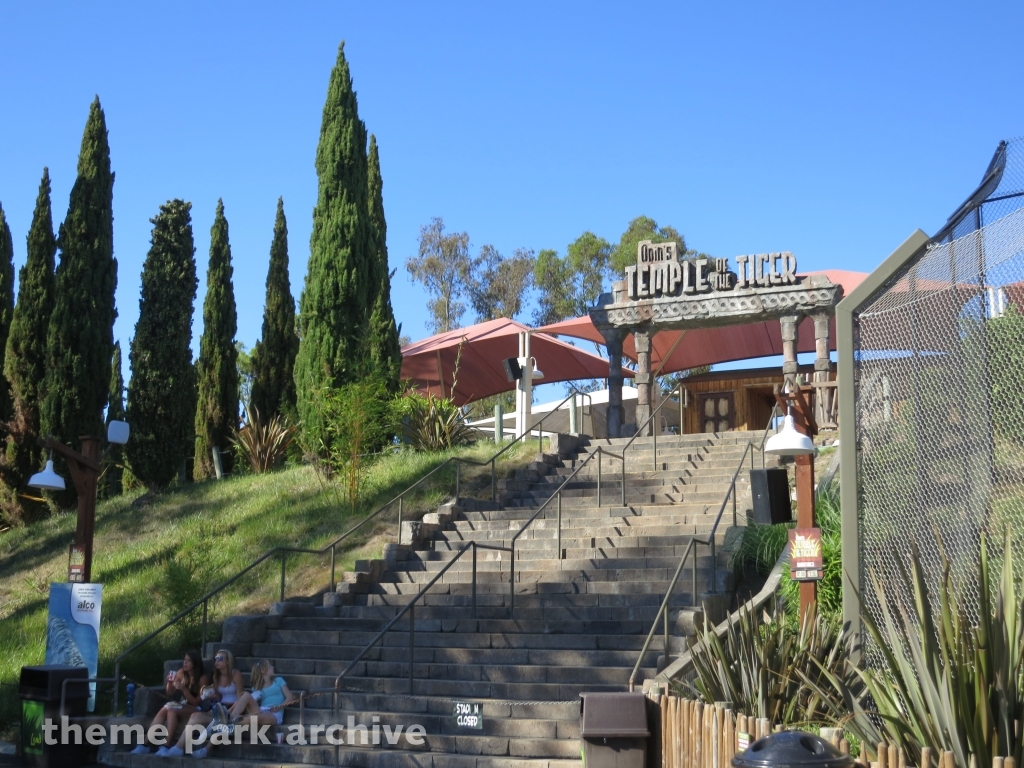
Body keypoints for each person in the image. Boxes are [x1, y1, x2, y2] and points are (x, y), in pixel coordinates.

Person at [189, 660, 296, 760]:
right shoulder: (257, 687)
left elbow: (290, 697)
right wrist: (232, 709)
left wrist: (278, 707)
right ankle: (228, 718)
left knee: (231, 722)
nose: (273, 667)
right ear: (264, 671)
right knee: (245, 695)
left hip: (275, 713)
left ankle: (222, 722)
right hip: (261, 709)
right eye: (270, 666)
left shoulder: (279, 681)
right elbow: (245, 701)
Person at [154, 649, 245, 756]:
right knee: (194, 716)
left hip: (232, 708)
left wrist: (229, 710)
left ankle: (180, 748)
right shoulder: (216, 676)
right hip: (219, 707)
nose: (217, 661)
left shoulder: (236, 674)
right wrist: (213, 696)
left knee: (215, 717)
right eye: (216, 659)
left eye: (220, 659)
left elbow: (241, 697)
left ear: (228, 661)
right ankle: (178, 748)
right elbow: (219, 696)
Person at [129, 650, 207, 755]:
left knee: (171, 709)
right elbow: (169, 693)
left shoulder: (203, 678)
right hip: (182, 705)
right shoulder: (181, 673)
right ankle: (145, 744)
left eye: (188, 661)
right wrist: (169, 683)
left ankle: (167, 745)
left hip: (196, 708)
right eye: (184, 660)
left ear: (195, 663)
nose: (185, 663)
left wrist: (184, 690)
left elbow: (197, 702)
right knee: (166, 708)